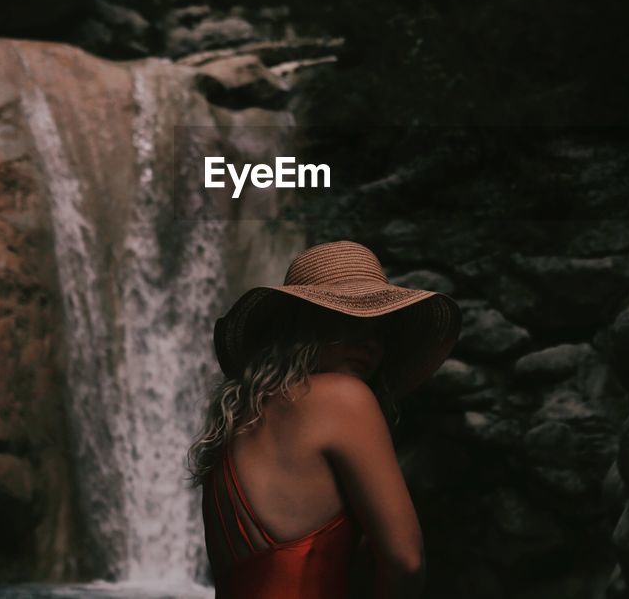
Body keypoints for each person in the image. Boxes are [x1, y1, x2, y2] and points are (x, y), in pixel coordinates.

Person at [187, 240, 462, 598]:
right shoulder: (343, 398)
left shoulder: (236, 420)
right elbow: (405, 562)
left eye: (380, 327)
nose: (370, 342)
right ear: (305, 326)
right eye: (349, 318)